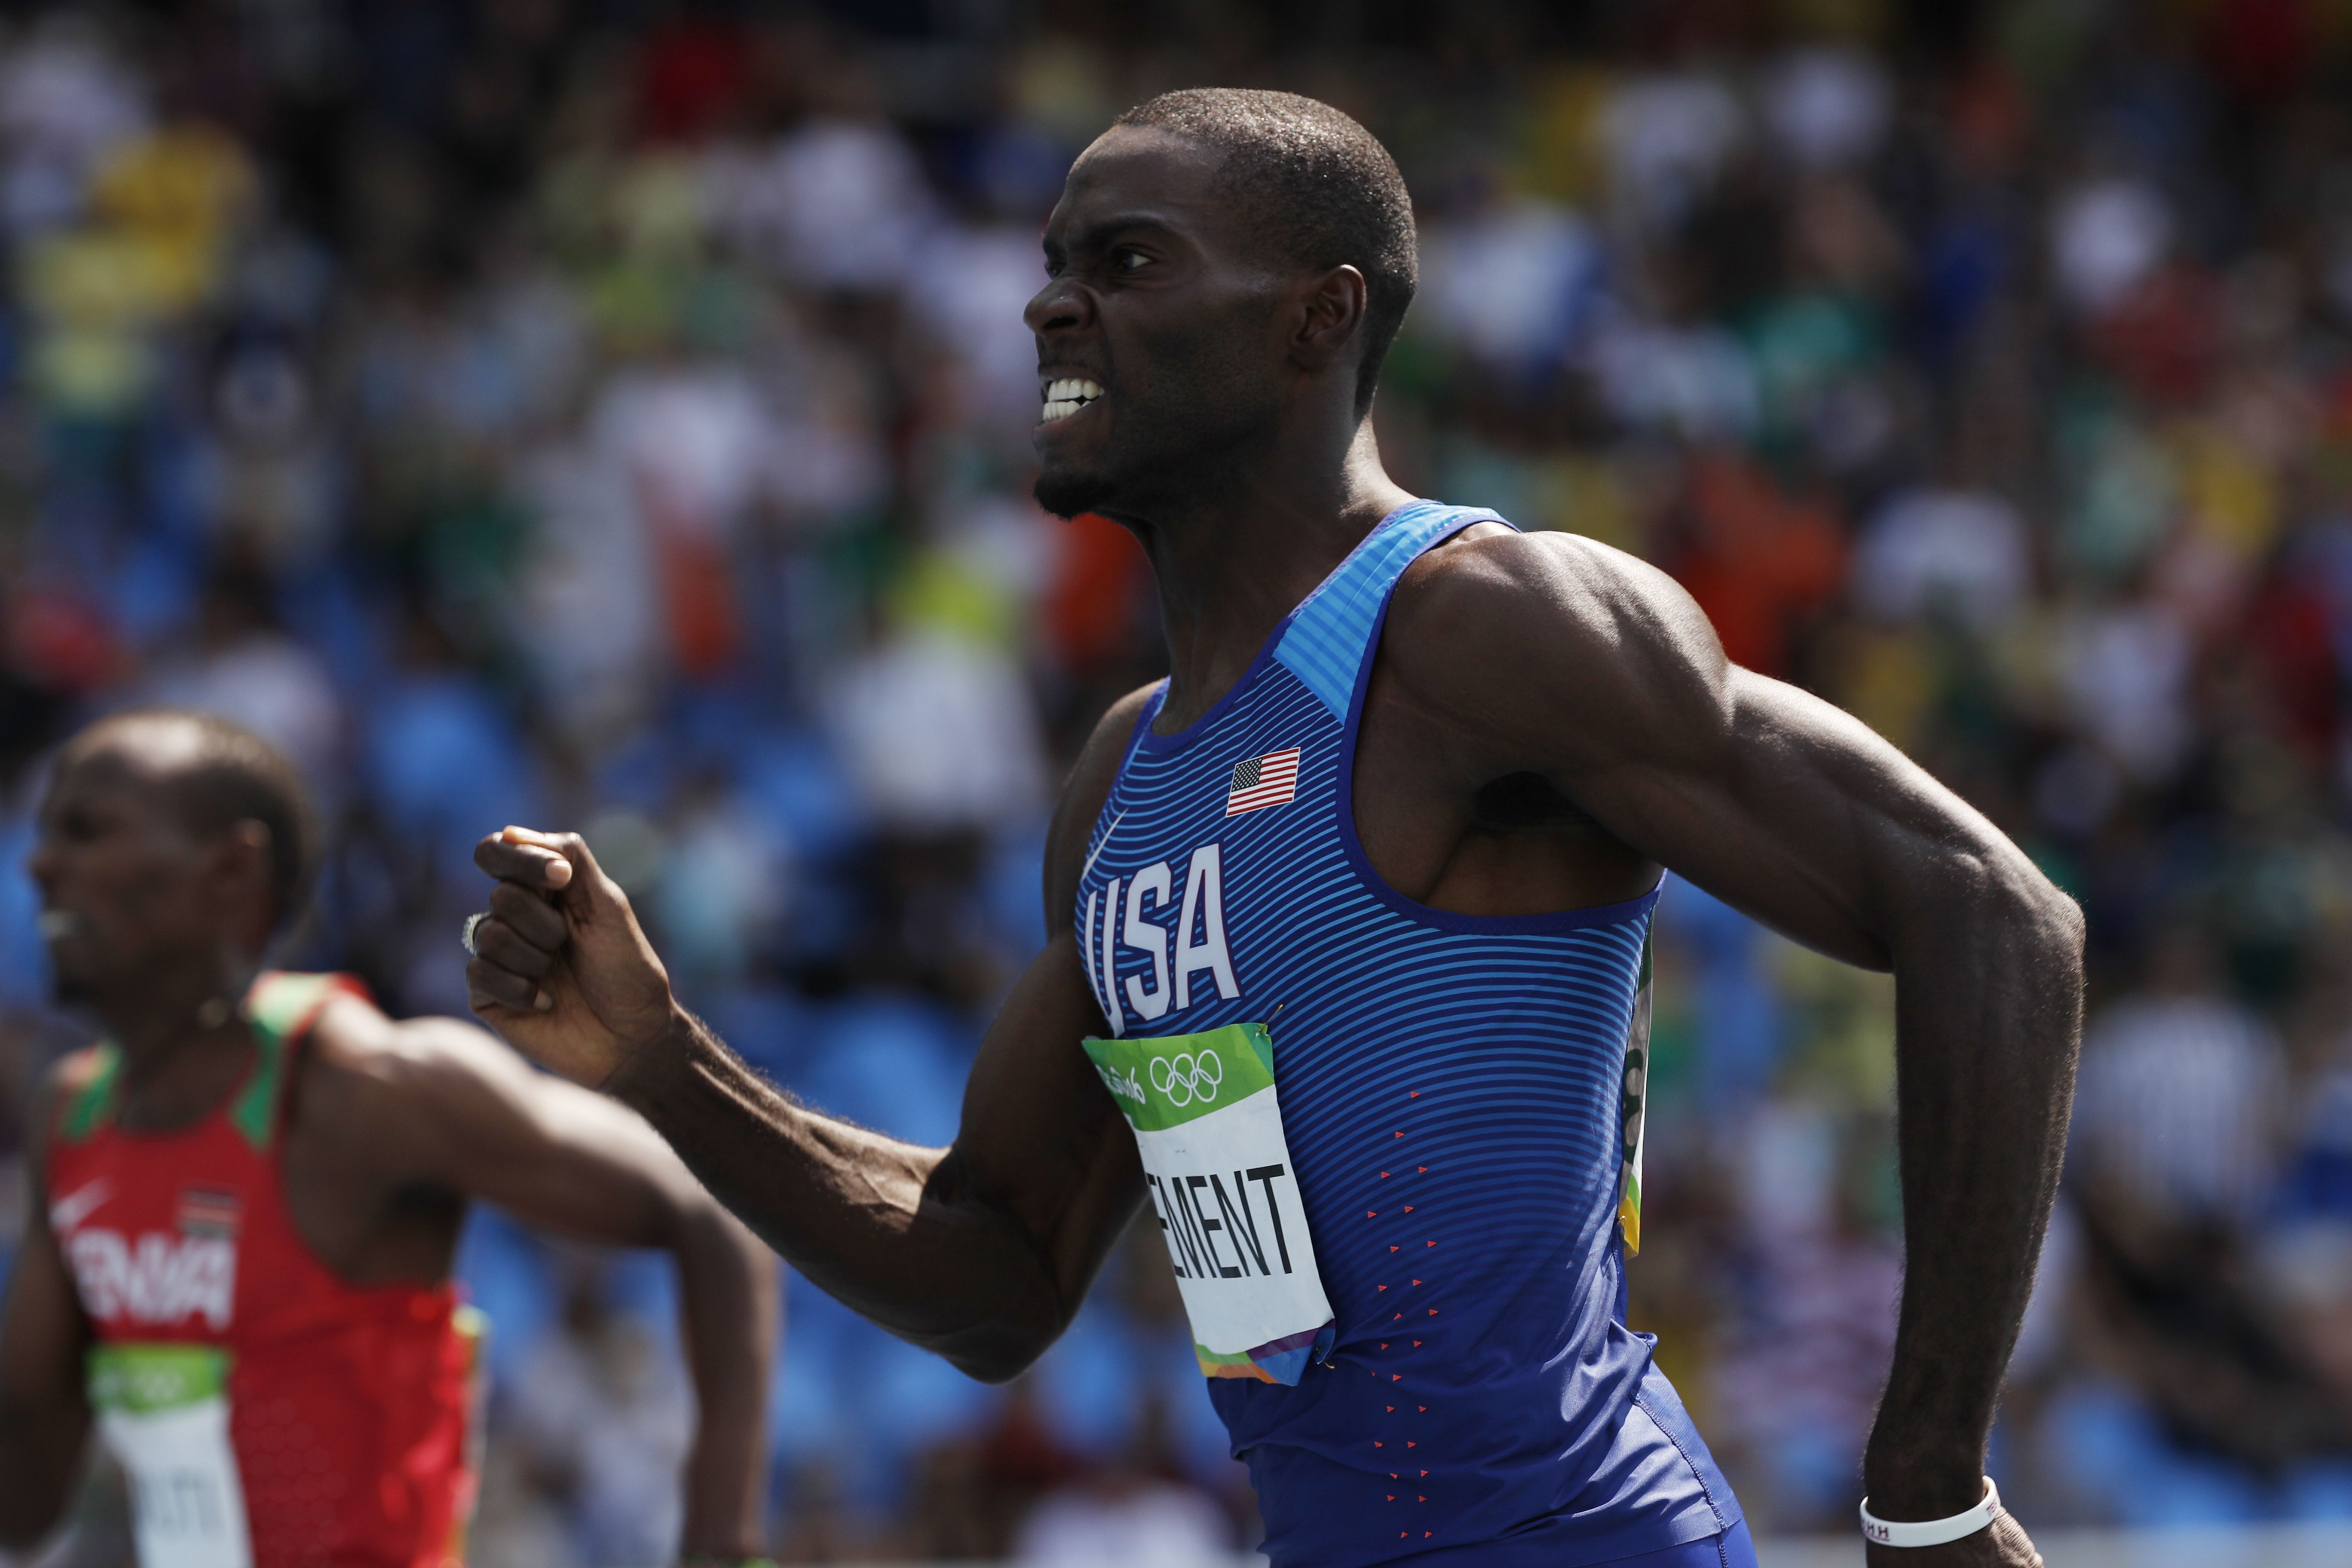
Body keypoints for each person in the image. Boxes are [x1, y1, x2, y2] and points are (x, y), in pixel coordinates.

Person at [464, 89, 2080, 1568]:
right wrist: (665, 1060)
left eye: (1129, 260)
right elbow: (1000, 1269)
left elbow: (1991, 909)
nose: (1048, 304)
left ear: (1320, 318)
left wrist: (1930, 1481)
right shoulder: (1120, 788)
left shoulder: (1482, 627)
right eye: (1053, 262)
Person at [0, 710, 778, 1568]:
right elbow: (27, 1501)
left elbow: (712, 1205)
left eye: (86, 832)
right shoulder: (71, 1120)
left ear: (231, 871)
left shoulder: (363, 1091)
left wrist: (722, 1544)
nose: (41, 866)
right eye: (43, 835)